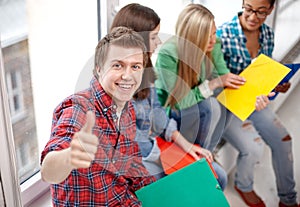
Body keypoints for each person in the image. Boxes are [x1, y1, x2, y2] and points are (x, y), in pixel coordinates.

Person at [109, 3, 228, 190]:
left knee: (219, 178)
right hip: (141, 160)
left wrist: (186, 145)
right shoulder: (114, 82)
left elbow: (156, 111)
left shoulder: (144, 68)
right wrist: (160, 161)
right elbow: (131, 143)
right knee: (202, 183)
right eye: (154, 37)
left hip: (155, 146)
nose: (159, 43)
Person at [40, 26, 156, 207]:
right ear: (99, 69)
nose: (128, 75)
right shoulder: (79, 108)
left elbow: (132, 167)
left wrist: (164, 193)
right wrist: (70, 156)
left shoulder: (127, 109)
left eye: (135, 66)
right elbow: (48, 171)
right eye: (118, 65)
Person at [155, 3, 270, 167]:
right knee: (211, 106)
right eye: (207, 35)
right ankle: (201, 158)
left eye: (214, 32)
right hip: (172, 111)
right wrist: (215, 83)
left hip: (194, 103)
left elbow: (226, 79)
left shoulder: (213, 44)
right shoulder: (169, 53)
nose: (213, 39)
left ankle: (207, 152)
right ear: (193, 37)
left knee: (227, 98)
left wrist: (256, 94)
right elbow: (179, 102)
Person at [217, 0, 299, 207]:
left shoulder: (268, 35)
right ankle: (243, 186)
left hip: (254, 101)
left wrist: (276, 85)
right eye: (249, 10)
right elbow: (211, 82)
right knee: (254, 147)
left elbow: (263, 72)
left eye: (261, 12)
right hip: (227, 105)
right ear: (242, 3)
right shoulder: (221, 35)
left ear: (271, 10)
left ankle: (288, 200)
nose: (253, 17)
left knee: (284, 142)